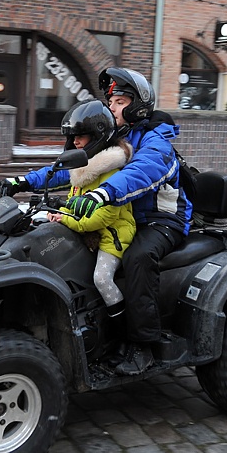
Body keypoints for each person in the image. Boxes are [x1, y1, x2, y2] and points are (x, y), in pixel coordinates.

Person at [2, 68, 192, 375]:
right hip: (119, 214)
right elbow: (77, 169)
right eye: (111, 101)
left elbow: (140, 172)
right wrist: (23, 182)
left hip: (160, 220)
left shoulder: (157, 141)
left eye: (119, 101)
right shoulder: (114, 137)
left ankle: (143, 346)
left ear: (138, 104)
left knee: (139, 258)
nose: (112, 107)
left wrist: (103, 194)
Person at [44, 100, 135, 318]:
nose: (74, 141)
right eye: (72, 137)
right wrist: (58, 214)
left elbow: (101, 218)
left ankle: (120, 323)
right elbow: (72, 200)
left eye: (80, 136)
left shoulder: (111, 172)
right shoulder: (83, 168)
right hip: (92, 234)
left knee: (101, 278)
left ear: (96, 137)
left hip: (113, 237)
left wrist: (66, 220)